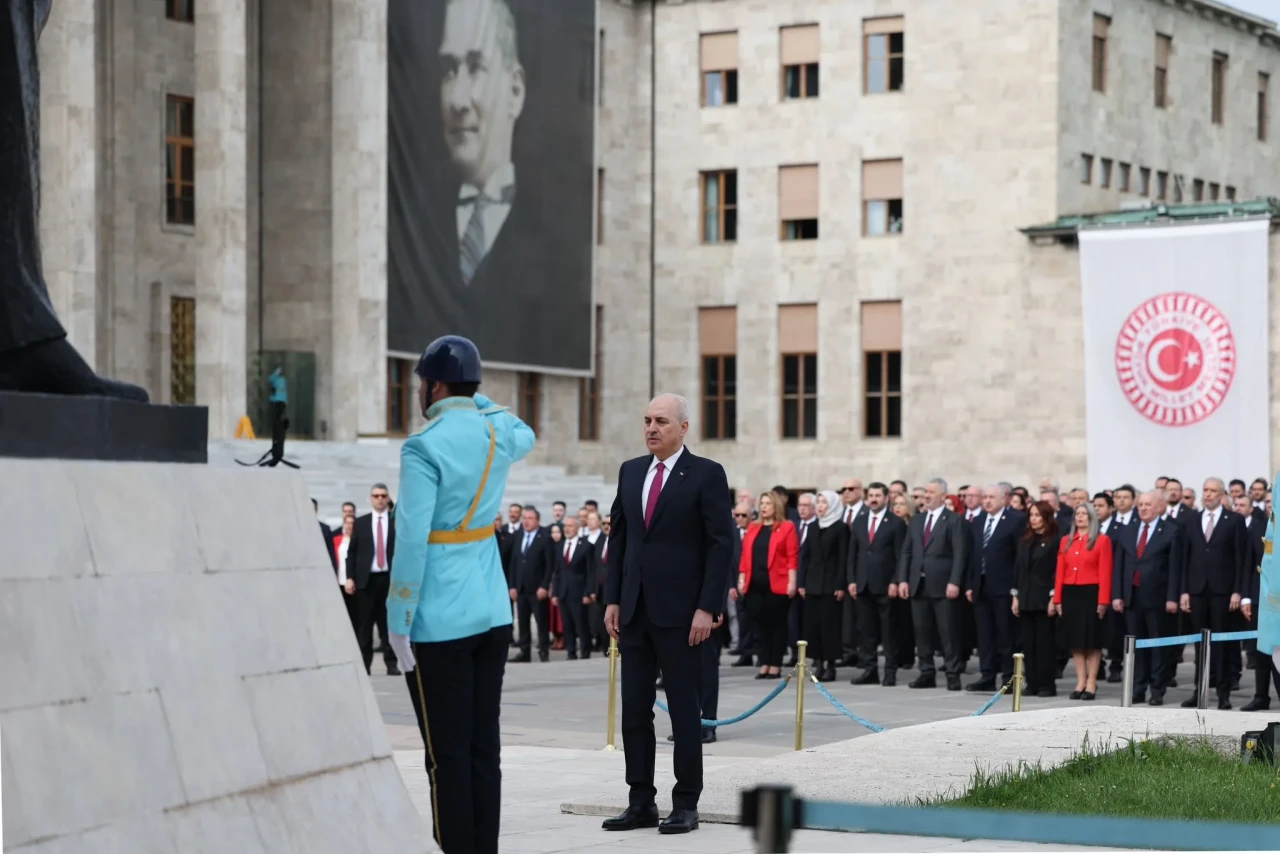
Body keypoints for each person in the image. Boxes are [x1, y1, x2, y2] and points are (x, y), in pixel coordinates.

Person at [386, 334, 535, 854]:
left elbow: (410, 541)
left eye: (422, 384)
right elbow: (526, 432)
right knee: (481, 748)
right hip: (492, 611)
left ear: (435, 385)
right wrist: (478, 398)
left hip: (439, 618)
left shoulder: (423, 446)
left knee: (444, 755)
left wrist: (398, 618)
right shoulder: (496, 433)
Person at [601, 394, 733, 836]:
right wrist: (614, 598)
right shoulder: (631, 471)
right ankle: (640, 801)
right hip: (635, 611)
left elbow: (721, 545)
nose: (651, 428)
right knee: (635, 712)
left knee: (683, 713)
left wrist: (707, 607)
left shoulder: (707, 474)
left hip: (683, 615)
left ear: (683, 427)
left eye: (661, 421)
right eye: (646, 421)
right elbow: (619, 540)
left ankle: (685, 804)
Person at [1178, 477, 1248, 710]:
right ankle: (1199, 691)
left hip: (1223, 592)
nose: (1207, 494)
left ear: (1221, 494)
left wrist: (1238, 591)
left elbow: (1241, 559)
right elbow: (1185, 558)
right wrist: (1184, 591)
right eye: (1205, 490)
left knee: (1222, 645)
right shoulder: (1192, 520)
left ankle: (1224, 693)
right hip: (1197, 591)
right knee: (1200, 645)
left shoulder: (1234, 520)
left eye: (1212, 490)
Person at [1112, 490, 1183, 706]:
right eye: (1140, 504)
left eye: (1148, 504)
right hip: (1132, 597)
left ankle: (1157, 689)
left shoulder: (1171, 531)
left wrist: (1172, 597)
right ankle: (1138, 688)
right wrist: (1117, 595)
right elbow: (1119, 566)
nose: (1143, 508)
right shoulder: (1128, 530)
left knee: (1158, 646)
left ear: (1160, 507)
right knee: (1136, 646)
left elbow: (1174, 568)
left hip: (1158, 599)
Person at [897, 478, 967, 691]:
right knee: (922, 632)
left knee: (948, 632)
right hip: (919, 583)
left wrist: (955, 581)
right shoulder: (917, 521)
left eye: (931, 492)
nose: (926, 496)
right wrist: (903, 579)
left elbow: (960, 554)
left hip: (943, 584)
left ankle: (953, 673)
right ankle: (926, 672)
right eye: (926, 492)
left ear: (943, 496)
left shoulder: (954, 521)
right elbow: (907, 551)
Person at [849, 482, 908, 687]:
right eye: (871, 495)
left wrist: (896, 581)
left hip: (886, 585)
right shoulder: (860, 521)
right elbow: (853, 554)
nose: (874, 499)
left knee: (889, 632)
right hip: (863, 584)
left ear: (886, 498)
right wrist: (851, 580)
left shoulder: (896, 523)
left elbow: (901, 555)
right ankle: (870, 670)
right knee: (867, 631)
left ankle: (890, 672)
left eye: (878, 495)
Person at [736, 490, 799, 680]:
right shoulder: (754, 528)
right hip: (755, 584)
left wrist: (792, 582)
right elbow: (745, 556)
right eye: (761, 503)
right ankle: (764, 662)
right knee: (760, 625)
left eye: (767, 503)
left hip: (778, 583)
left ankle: (775, 664)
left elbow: (791, 557)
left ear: (776, 506)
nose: (763, 507)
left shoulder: (786, 527)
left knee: (777, 626)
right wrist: (741, 578)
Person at [1054, 501, 1112, 700]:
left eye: (1083, 514)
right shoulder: (1066, 541)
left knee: (1092, 642)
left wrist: (1103, 600)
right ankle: (1080, 681)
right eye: (1077, 514)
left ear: (1091, 518)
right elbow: (1060, 571)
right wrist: (1058, 599)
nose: (1079, 517)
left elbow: (1105, 573)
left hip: (1091, 593)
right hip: (1071, 593)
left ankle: (1092, 682)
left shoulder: (1102, 541)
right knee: (1076, 641)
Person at [797, 490, 847, 682]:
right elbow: (805, 556)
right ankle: (817, 664)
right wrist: (802, 582)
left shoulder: (840, 528)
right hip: (813, 583)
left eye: (824, 503)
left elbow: (843, 557)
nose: (820, 506)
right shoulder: (813, 527)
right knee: (813, 626)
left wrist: (840, 584)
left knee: (829, 627)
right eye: (818, 503)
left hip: (831, 584)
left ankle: (831, 666)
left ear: (832, 505)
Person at [1013, 501, 1059, 697]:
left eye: (1038, 515)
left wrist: (1053, 597)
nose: (1033, 519)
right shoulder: (1025, 540)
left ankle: (1046, 683)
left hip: (1044, 598)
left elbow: (1055, 571)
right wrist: (1015, 596)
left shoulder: (1055, 540)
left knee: (1044, 644)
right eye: (1031, 515)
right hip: (1025, 597)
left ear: (1046, 517)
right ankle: (1031, 682)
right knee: (1028, 643)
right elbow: (1018, 570)